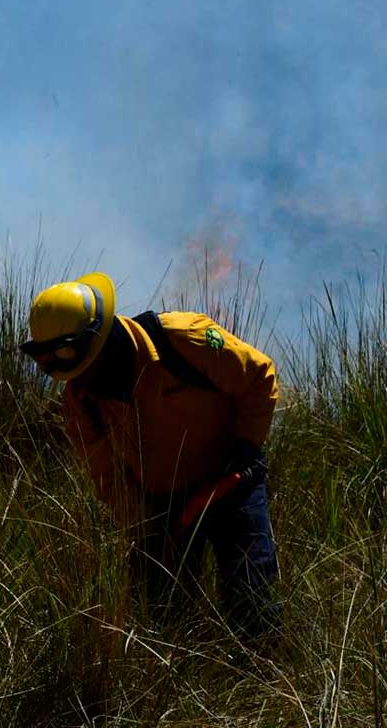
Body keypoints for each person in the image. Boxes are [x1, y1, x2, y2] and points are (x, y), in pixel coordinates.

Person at [20, 272, 281, 638]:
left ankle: (264, 675)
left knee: (251, 598)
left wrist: (244, 450)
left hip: (232, 479)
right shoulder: (80, 401)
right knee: (160, 619)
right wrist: (145, 531)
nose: (81, 379)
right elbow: (107, 476)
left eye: (84, 364)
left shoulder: (183, 338)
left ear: (104, 336)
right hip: (162, 503)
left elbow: (258, 377)